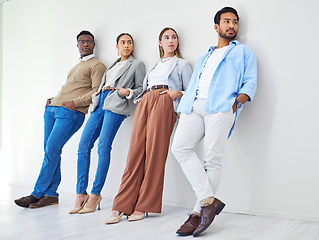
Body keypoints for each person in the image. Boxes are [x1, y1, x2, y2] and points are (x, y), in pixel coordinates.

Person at [171, 7, 257, 237]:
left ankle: (196, 213)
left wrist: (238, 100)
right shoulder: (204, 57)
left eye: (235, 22)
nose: (232, 25)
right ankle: (208, 203)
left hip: (221, 106)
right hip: (193, 106)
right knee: (180, 147)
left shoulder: (243, 52)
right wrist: (184, 98)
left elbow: (250, 81)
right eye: (227, 21)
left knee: (212, 158)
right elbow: (195, 83)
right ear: (217, 26)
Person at [105, 27, 192, 224]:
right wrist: (137, 98)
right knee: (134, 153)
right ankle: (122, 205)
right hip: (145, 102)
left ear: (177, 42)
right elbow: (143, 88)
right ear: (160, 43)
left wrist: (176, 93)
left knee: (154, 154)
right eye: (166, 37)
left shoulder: (183, 64)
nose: (171, 40)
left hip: (164, 101)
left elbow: (189, 91)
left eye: (174, 37)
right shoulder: (154, 65)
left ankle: (143, 206)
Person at [14, 30, 106, 208]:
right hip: (53, 110)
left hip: (71, 113)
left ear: (93, 45)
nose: (85, 44)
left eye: (89, 42)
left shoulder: (97, 65)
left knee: (51, 150)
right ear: (77, 45)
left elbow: (96, 92)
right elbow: (70, 87)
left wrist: (74, 103)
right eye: (82, 42)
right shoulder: (76, 66)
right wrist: (54, 99)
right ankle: (51, 194)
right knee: (50, 151)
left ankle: (36, 193)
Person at [70, 33, 145, 214]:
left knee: (103, 147)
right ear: (117, 46)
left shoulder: (136, 64)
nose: (126, 45)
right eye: (122, 42)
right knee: (83, 145)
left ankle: (95, 194)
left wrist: (125, 92)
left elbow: (141, 89)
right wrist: (97, 96)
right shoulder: (112, 65)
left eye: (129, 43)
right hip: (99, 102)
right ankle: (81, 193)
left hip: (116, 103)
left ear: (132, 46)